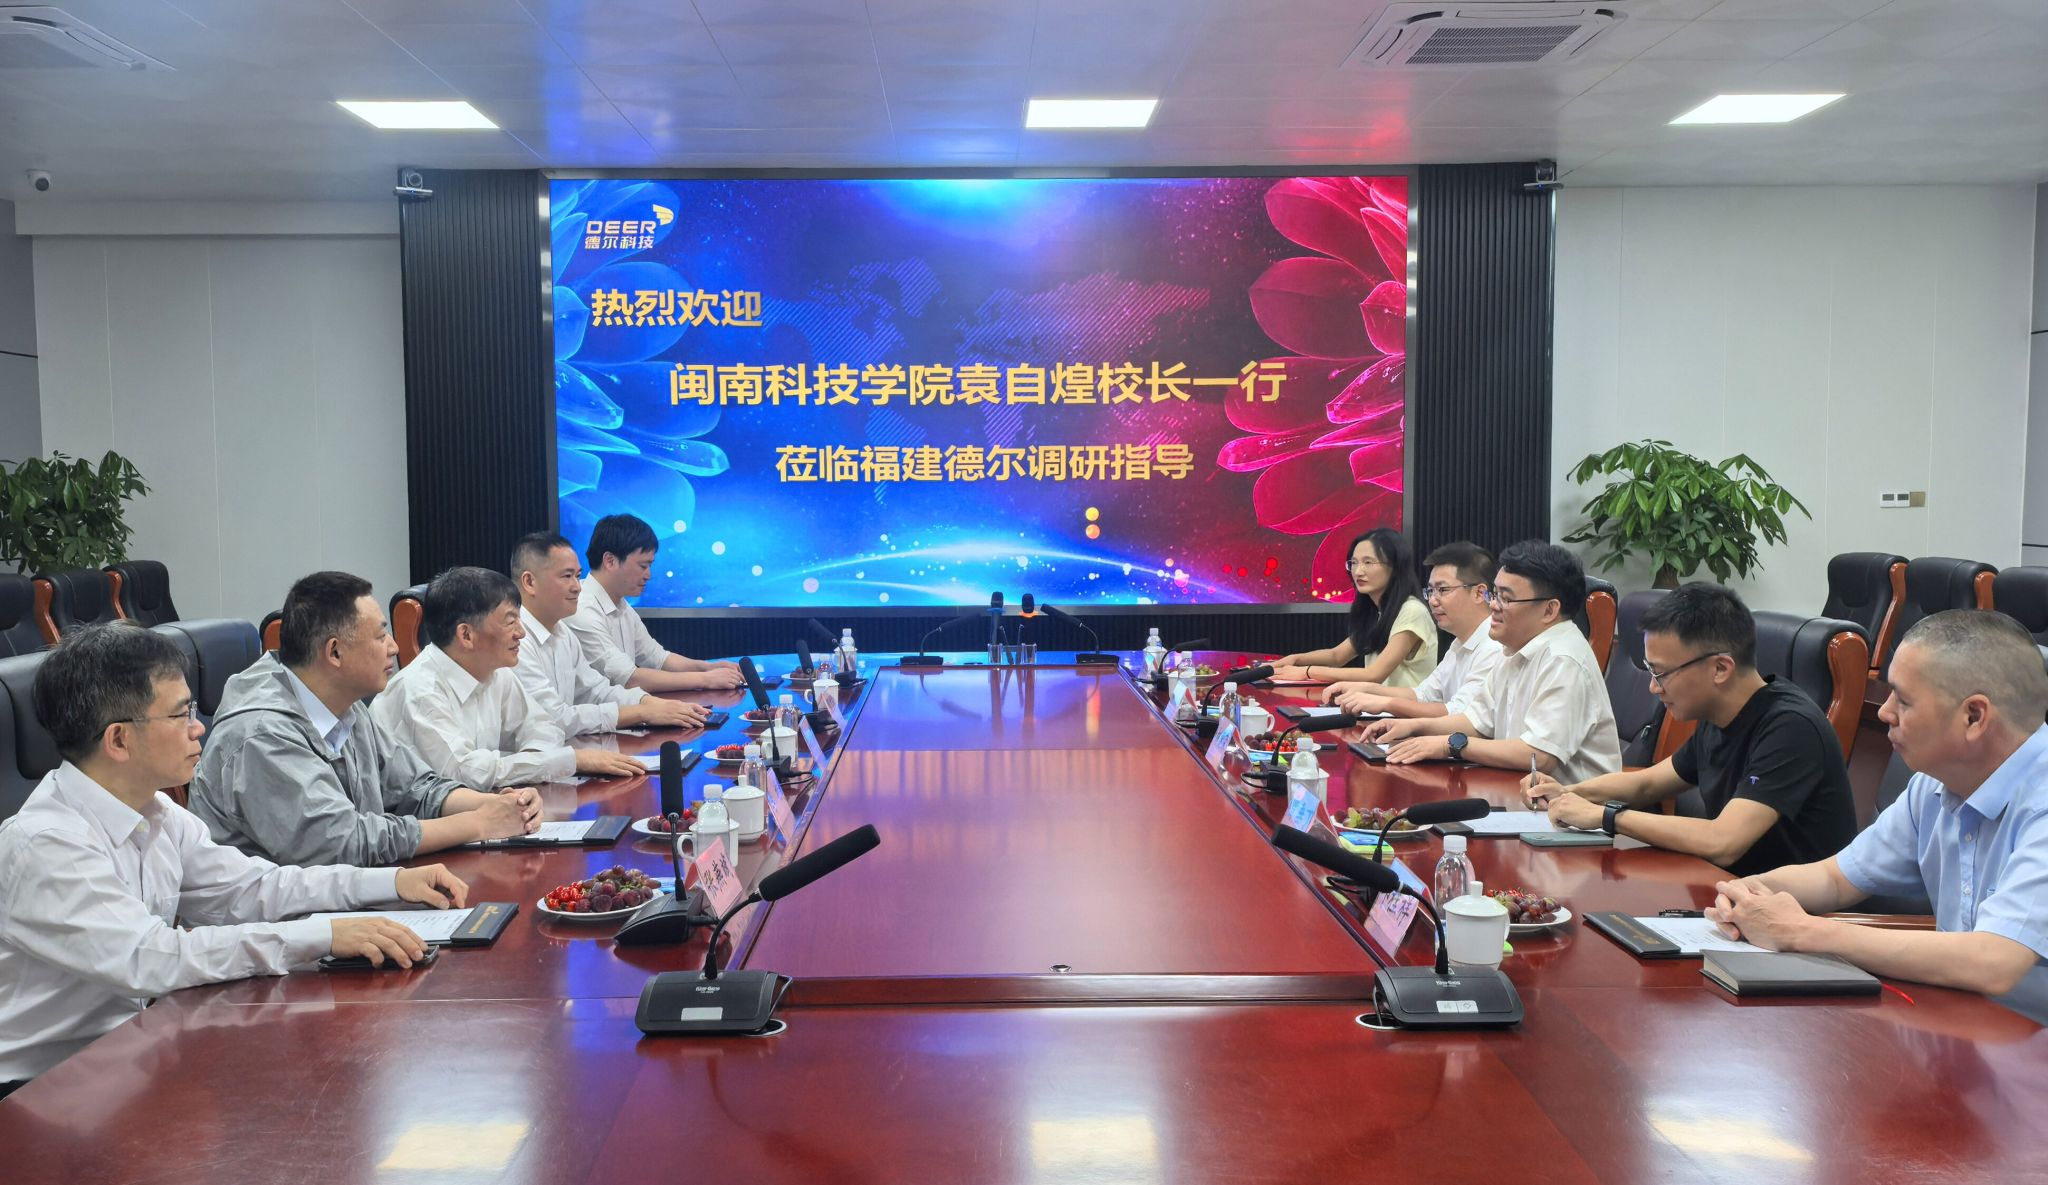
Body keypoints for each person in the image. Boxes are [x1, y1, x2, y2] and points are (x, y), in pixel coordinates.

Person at [0, 623, 466, 1093]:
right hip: (37, 1092)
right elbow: (152, 958)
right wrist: (323, 935)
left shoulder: (155, 811)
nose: (198, 727)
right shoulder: (47, 843)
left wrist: (390, 883)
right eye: (180, 714)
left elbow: (252, 888)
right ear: (118, 740)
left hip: (130, 1055)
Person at [1707, 610, 2047, 1024]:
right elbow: (1836, 878)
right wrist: (1751, 892)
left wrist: (1799, 931)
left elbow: (1994, 961)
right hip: (1965, 1021)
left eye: (1903, 700)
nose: (1884, 712)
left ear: (1974, 717)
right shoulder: (1934, 785)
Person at [189, 572, 542, 866]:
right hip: (274, 921)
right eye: (379, 636)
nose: (394, 647)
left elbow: (415, 788)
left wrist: (499, 806)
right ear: (335, 652)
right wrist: (478, 823)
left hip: (343, 897)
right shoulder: (260, 734)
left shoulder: (346, 705)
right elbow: (340, 843)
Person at [1520, 583, 1857, 877]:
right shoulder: (1719, 714)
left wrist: (1606, 817)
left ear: (1720, 668)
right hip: (1725, 893)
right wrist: (1568, 792)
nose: (1653, 687)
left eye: (1661, 673)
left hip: (1792, 913)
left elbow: (1724, 842)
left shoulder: (1790, 727)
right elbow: (1647, 783)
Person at [1362, 540, 1621, 782]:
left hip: (1570, 810)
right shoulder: (1514, 648)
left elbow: (1538, 755)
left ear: (1550, 610)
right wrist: (1411, 727)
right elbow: (1476, 721)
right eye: (1495, 595)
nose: (1493, 606)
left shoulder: (1563, 659)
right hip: (1519, 793)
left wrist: (1449, 745)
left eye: (1506, 598)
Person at [371, 566, 644, 789]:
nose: (521, 633)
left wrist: (536, 765)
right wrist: (567, 761)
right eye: (510, 621)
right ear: (466, 635)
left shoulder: (495, 671)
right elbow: (463, 772)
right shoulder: (420, 690)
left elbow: (543, 726)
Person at [510, 532, 708, 736]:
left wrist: (651, 703)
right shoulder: (514, 639)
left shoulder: (562, 632)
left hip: (565, 748)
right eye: (567, 576)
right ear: (529, 582)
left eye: (577, 576)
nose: (577, 587)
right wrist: (643, 712)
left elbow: (596, 690)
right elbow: (554, 719)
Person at [1321, 541, 1502, 720]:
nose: (1433, 601)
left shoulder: (1493, 647)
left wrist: (1386, 703)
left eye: (1443, 589)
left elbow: (1460, 713)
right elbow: (1424, 695)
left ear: (1479, 593)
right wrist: (1366, 689)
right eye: (1431, 591)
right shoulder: (1459, 644)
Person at [565, 514, 744, 693]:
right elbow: (629, 678)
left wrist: (707, 668)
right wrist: (705, 679)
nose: (648, 575)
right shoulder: (581, 608)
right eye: (643, 566)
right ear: (610, 561)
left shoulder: (622, 606)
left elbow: (657, 658)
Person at [1272, 527, 1437, 687]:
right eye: (1354, 563)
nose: (1358, 571)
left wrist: (1307, 672)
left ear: (1394, 567)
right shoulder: (1377, 612)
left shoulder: (1412, 611)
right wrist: (1295, 659)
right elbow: (1337, 656)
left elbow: (1374, 675)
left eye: (1368, 562)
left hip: (1405, 706)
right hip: (1375, 704)